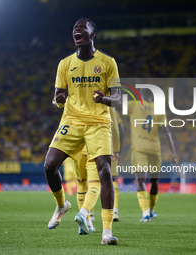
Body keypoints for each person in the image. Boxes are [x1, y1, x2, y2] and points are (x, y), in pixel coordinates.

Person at [44, 18, 121, 245]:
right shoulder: (65, 64)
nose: (76, 31)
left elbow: (118, 98)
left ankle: (107, 232)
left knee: (104, 171)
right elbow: (58, 97)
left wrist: (104, 98)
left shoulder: (107, 62)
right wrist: (58, 101)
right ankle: (61, 205)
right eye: (74, 29)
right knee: (49, 166)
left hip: (98, 122)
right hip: (72, 120)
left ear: (92, 34)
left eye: (82, 28)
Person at [127, 88, 177, 222]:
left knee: (141, 180)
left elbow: (116, 103)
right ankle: (153, 210)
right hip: (155, 148)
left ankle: (145, 213)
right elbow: (166, 131)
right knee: (154, 180)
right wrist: (173, 152)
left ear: (141, 95)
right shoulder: (158, 108)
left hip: (140, 149)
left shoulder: (134, 104)